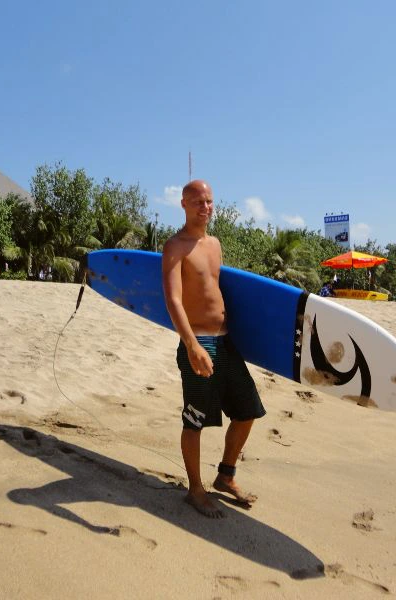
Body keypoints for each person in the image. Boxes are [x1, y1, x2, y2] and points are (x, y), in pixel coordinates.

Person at [162, 180, 266, 519]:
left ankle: (225, 476)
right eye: (197, 202)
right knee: (194, 421)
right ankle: (195, 490)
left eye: (209, 201)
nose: (204, 207)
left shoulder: (215, 244)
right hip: (199, 343)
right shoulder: (175, 246)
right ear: (183, 204)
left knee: (247, 411)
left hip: (225, 341)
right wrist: (192, 344)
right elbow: (173, 299)